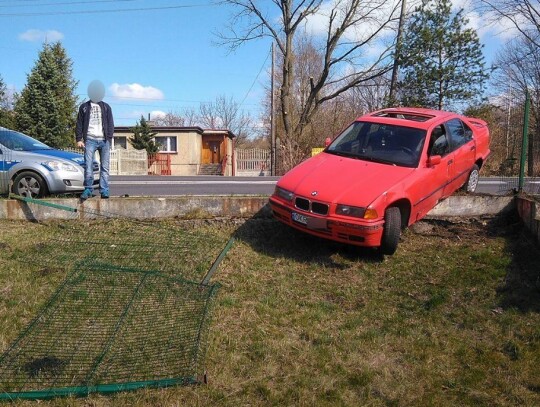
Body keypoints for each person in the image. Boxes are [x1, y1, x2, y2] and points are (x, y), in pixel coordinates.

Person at [76, 80, 114, 200]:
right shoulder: (84, 107)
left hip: (104, 140)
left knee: (105, 166)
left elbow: (111, 123)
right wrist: (79, 139)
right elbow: (79, 124)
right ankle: (88, 188)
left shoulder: (106, 107)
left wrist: (109, 138)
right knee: (88, 165)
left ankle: (104, 190)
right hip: (90, 140)